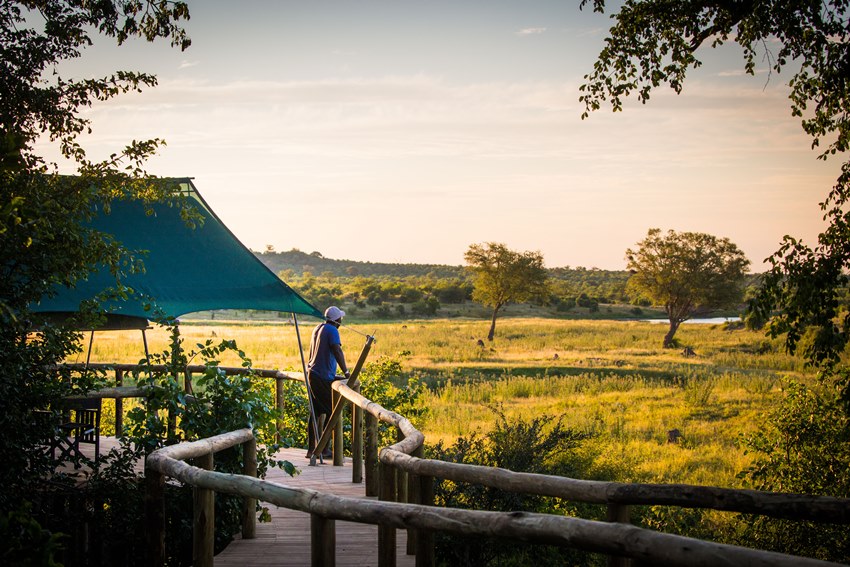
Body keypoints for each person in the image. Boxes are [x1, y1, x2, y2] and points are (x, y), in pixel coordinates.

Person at [305, 305, 351, 459]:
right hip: (322, 377)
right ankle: (323, 448)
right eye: (340, 319)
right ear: (337, 320)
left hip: (312, 373)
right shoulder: (333, 331)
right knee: (333, 411)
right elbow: (337, 350)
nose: (341, 322)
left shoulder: (318, 328)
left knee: (315, 411)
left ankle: (311, 449)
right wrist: (346, 372)